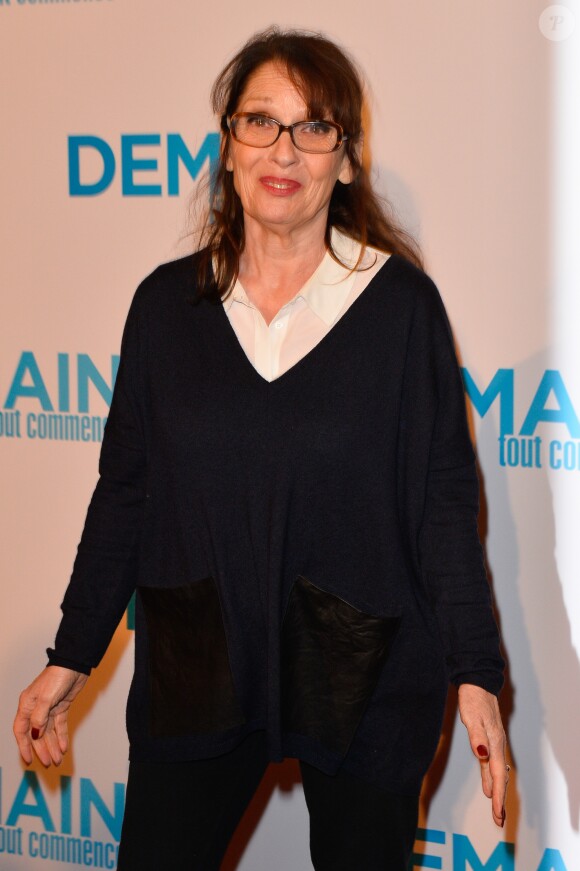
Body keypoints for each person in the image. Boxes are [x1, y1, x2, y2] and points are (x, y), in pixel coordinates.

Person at [14, 27, 508, 871]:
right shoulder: (167, 308)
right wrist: (71, 655)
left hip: (364, 663)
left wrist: (476, 673)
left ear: (346, 160)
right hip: (199, 655)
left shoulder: (401, 312)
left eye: (314, 127)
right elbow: (126, 496)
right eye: (260, 122)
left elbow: (439, 507)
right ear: (228, 145)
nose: (285, 149)